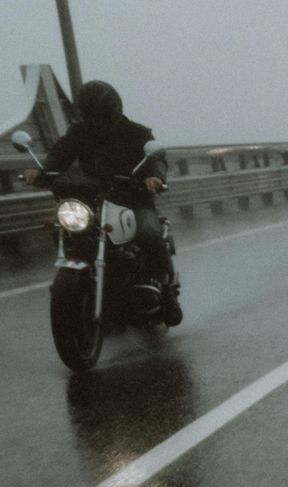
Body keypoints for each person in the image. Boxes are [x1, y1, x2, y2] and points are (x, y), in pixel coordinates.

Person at [24, 80, 176, 321]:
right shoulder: (79, 132)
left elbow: (156, 159)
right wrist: (41, 171)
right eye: (89, 115)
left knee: (148, 232)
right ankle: (83, 285)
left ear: (113, 111)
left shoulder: (137, 133)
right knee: (64, 228)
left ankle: (166, 290)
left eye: (99, 115)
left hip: (133, 200)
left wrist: (154, 177)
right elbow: (60, 154)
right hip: (93, 200)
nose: (95, 121)